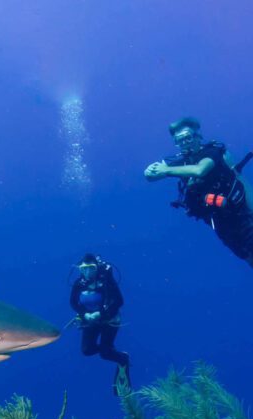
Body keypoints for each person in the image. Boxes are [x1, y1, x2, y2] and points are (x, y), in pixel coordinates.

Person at [144, 117, 253, 266]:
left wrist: (166, 170)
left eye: (187, 137)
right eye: (179, 140)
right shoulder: (180, 162)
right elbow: (150, 176)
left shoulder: (212, 151)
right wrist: (149, 172)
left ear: (197, 136)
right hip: (219, 222)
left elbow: (200, 170)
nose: (184, 143)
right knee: (246, 256)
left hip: (241, 214)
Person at [70, 253, 130, 396]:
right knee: (87, 350)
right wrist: (84, 314)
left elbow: (119, 301)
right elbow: (73, 302)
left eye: (91, 268)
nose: (87, 272)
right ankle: (108, 349)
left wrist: (100, 314)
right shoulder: (79, 283)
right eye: (84, 268)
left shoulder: (106, 281)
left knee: (105, 353)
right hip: (90, 320)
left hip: (109, 321)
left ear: (97, 267)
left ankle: (122, 359)